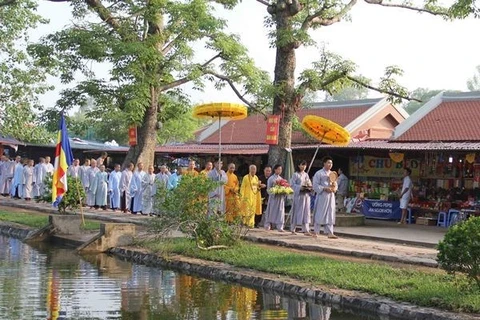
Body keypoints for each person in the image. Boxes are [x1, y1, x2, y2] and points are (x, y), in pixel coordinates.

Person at [312, 156, 338, 239]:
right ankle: (316, 231)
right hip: (322, 196)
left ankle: (330, 232)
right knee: (320, 212)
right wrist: (324, 188)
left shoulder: (333, 174)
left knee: (330, 213)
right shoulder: (319, 173)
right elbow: (315, 185)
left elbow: (335, 184)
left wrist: (334, 188)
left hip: (331, 196)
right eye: (328, 162)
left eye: (331, 163)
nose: (330, 164)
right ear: (324, 163)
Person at [289, 160, 312, 234]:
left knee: (306, 212)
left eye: (305, 165)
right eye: (302, 165)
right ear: (298, 165)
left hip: (305, 196)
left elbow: (309, 183)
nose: (303, 166)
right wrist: (300, 187)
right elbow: (292, 184)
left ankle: (306, 229)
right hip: (298, 196)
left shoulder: (306, 175)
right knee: (296, 211)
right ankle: (293, 228)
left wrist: (309, 186)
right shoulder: (295, 175)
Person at [264, 164, 286, 232]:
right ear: (275, 170)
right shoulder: (271, 178)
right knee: (271, 211)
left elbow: (284, 187)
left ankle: (280, 226)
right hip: (273, 198)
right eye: (278, 169)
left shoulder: (281, 179)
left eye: (280, 169)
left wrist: (283, 192)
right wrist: (274, 191)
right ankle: (267, 225)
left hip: (280, 198)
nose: (279, 171)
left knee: (280, 212)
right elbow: (268, 189)